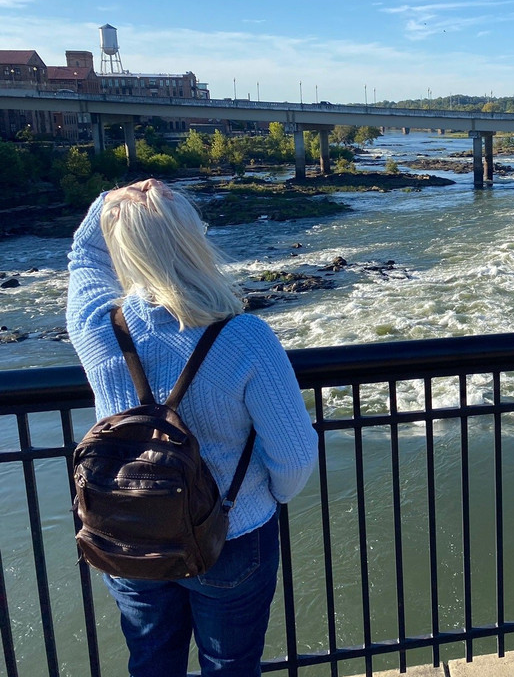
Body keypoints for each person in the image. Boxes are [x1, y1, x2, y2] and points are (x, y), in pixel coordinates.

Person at [66, 179, 318, 677]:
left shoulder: (97, 325)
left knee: (152, 661)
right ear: (193, 241)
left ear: (124, 249)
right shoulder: (244, 336)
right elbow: (293, 457)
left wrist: (113, 203)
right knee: (229, 666)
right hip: (230, 532)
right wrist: (266, 499)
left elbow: (83, 258)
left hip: (127, 531)